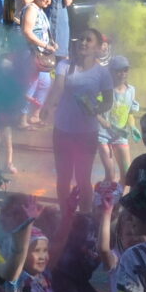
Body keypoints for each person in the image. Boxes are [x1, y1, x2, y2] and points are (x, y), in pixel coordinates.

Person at [50, 31, 113, 218]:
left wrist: (97, 108)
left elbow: (109, 101)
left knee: (83, 178)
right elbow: (58, 87)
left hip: (87, 133)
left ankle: (85, 217)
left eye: (88, 39)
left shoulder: (102, 73)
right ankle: (65, 216)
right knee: (63, 179)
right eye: (81, 39)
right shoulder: (64, 65)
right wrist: (47, 107)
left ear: (98, 46)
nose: (83, 42)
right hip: (62, 130)